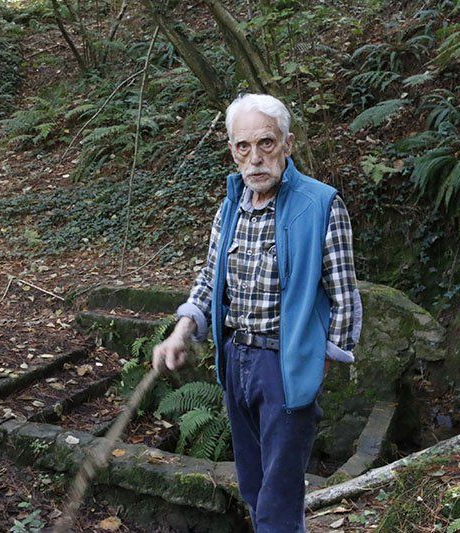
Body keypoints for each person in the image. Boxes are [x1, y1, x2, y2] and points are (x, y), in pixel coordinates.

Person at [152, 93, 362, 532]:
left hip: (285, 365)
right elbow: (210, 278)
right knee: (252, 485)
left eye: (266, 143)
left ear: (287, 142)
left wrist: (316, 361)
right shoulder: (230, 207)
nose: (255, 158)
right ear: (232, 151)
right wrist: (181, 330)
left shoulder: (322, 204)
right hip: (235, 362)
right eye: (243, 147)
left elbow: (344, 295)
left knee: (278, 499)